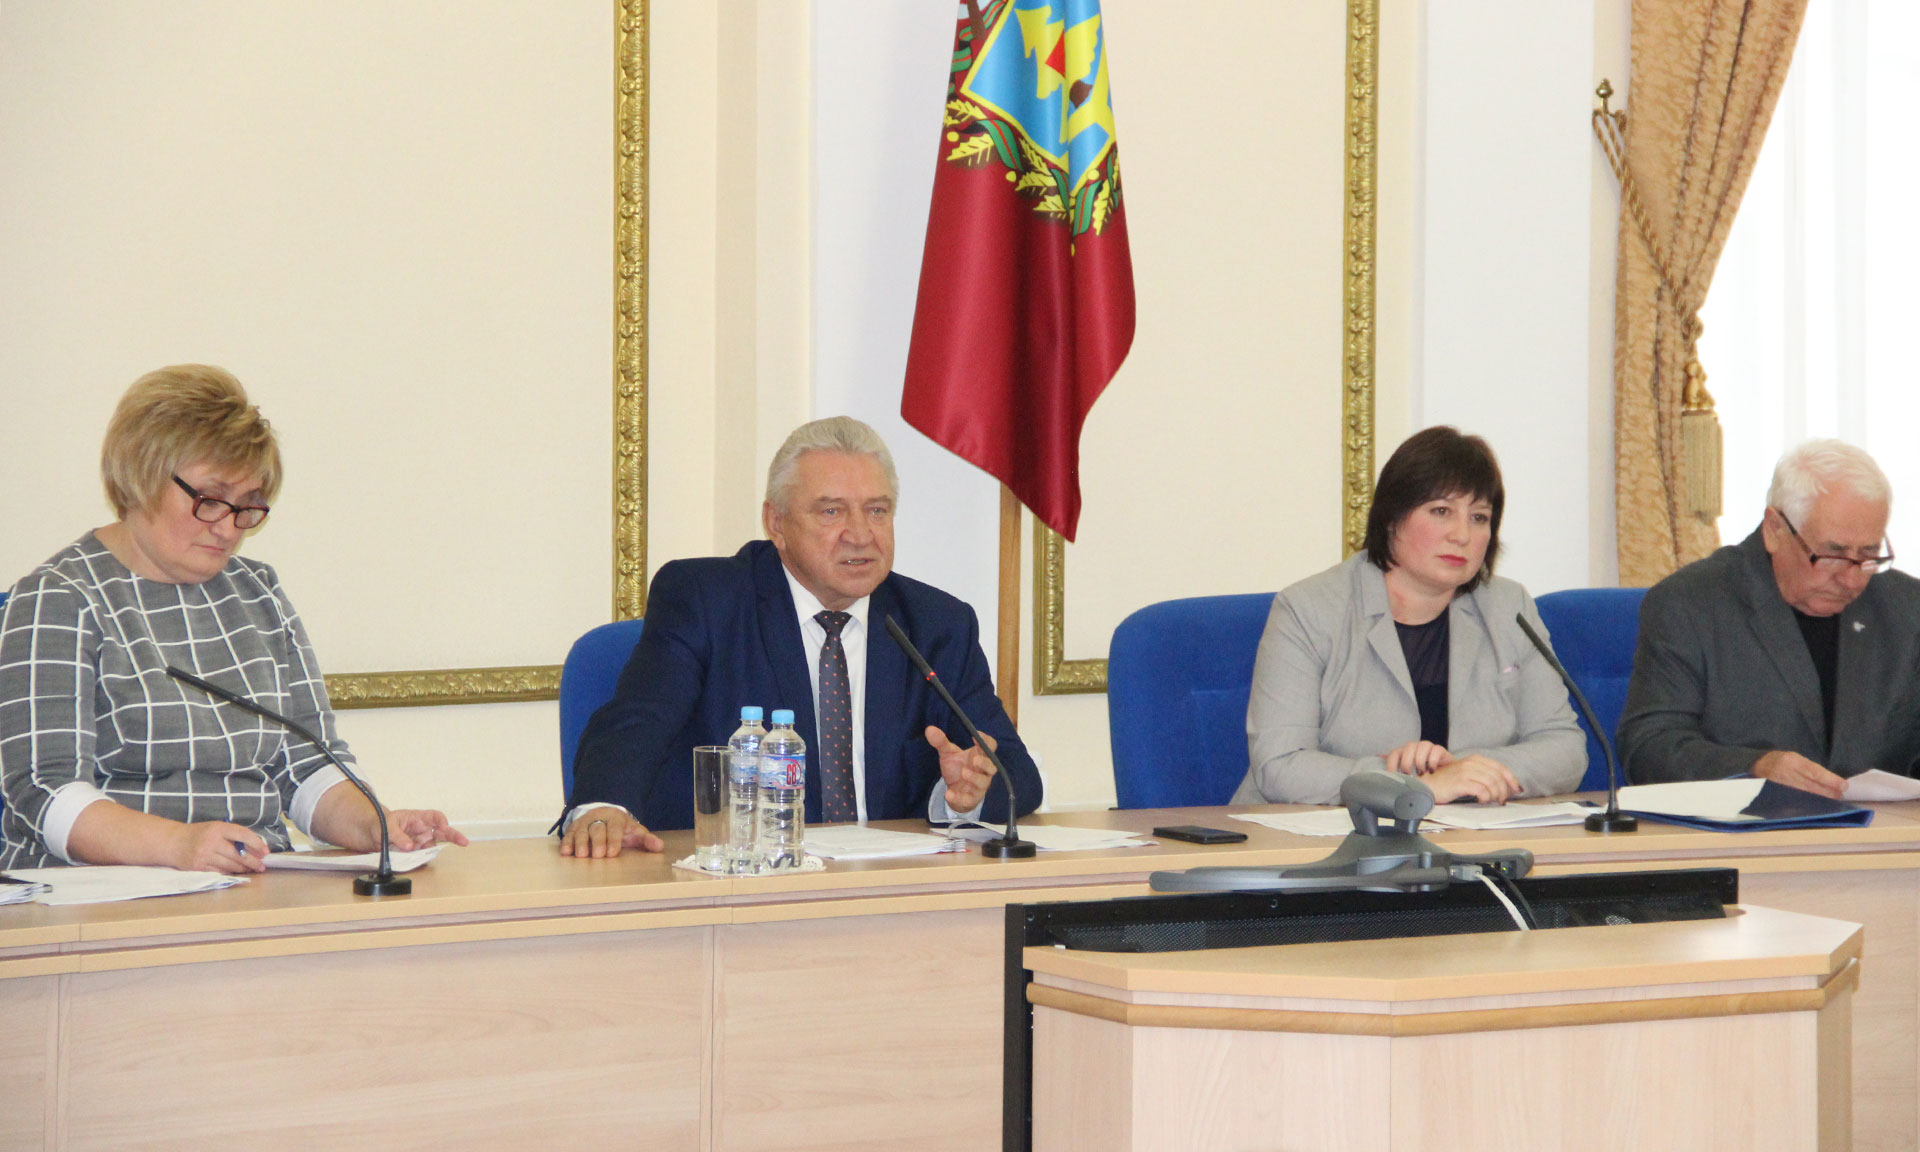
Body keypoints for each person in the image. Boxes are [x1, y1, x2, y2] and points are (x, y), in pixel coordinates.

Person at [0, 365, 467, 872]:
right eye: (210, 500)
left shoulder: (257, 593)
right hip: (108, 891)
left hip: (253, 881)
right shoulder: (58, 598)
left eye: (247, 506)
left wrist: (375, 825)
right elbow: (44, 790)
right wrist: (177, 845)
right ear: (141, 475)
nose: (228, 528)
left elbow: (306, 766)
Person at [560, 416, 1042, 857]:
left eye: (877, 511)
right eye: (831, 512)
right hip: (742, 883)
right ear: (776, 523)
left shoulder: (936, 624)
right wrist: (604, 806)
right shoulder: (706, 600)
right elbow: (638, 721)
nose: (861, 534)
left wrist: (959, 796)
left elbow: (1017, 775)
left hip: (888, 887)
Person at [1232, 426, 1586, 806]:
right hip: (1317, 834)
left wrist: (1467, 772)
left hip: (1465, 833)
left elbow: (1565, 750)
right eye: (1441, 511)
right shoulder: (1309, 610)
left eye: (1479, 517)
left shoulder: (1509, 607)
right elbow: (1280, 766)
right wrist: (1408, 784)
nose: (1462, 535)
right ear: (1392, 517)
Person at [1619, 440, 1920, 796]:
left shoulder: (1907, 608)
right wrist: (1754, 767)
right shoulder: (1690, 604)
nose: (1852, 579)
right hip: (1747, 826)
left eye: (1869, 554)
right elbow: (1648, 746)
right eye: (1832, 554)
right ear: (1775, 529)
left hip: (1887, 827)